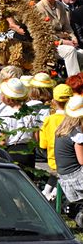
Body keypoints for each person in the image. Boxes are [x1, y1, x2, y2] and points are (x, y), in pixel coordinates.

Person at [36, 0, 83, 76]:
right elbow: (43, 33)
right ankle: (75, 84)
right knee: (70, 51)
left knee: (81, 53)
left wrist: (73, 38)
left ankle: (71, 79)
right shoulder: (39, 7)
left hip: (63, 41)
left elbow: (67, 26)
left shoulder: (60, 5)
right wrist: (63, 42)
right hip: (48, 44)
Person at [55, 95, 83, 226]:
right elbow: (82, 160)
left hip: (64, 176)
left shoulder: (62, 129)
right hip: (76, 178)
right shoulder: (77, 135)